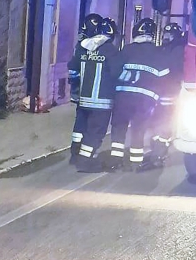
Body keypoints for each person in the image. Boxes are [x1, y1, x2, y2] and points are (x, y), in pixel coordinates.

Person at [110, 18, 173, 171]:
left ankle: (115, 160)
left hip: (123, 96)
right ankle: (135, 162)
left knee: (119, 126)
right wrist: (161, 99)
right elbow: (165, 78)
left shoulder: (127, 50)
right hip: (145, 100)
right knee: (138, 129)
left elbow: (114, 70)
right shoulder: (159, 53)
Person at [74, 17, 120, 173]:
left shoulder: (84, 48)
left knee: (85, 130)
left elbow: (75, 69)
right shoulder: (111, 51)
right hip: (101, 101)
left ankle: (80, 156)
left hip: (84, 99)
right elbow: (116, 73)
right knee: (95, 132)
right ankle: (85, 161)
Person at [148, 22, 186, 166]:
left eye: (169, 34)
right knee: (164, 120)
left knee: (161, 120)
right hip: (167, 92)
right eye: (166, 33)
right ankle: (159, 150)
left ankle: (158, 149)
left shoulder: (164, 50)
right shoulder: (178, 50)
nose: (166, 36)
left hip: (162, 92)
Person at [67, 13, 104, 162]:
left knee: (80, 119)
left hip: (80, 90)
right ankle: (85, 152)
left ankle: (75, 150)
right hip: (91, 90)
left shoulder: (80, 44)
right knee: (90, 122)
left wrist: (75, 86)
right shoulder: (94, 46)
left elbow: (73, 68)